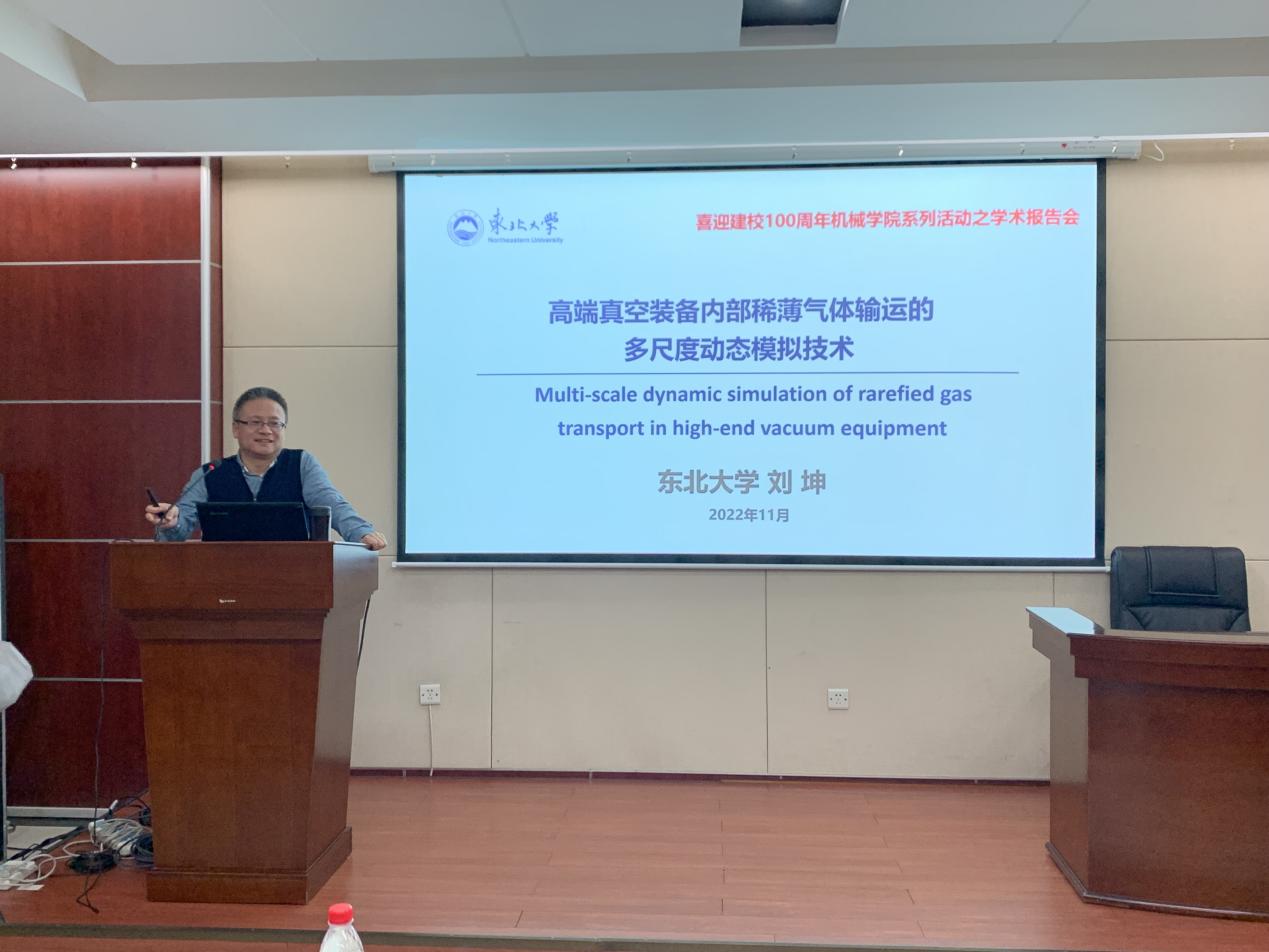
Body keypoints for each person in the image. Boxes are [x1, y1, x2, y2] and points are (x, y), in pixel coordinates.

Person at [145, 386, 388, 550]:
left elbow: (332, 504)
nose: (266, 430)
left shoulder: (301, 464)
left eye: (275, 423)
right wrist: (171, 522)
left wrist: (361, 532)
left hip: (296, 580)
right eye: (255, 422)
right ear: (236, 428)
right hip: (222, 583)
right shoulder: (210, 472)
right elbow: (179, 527)